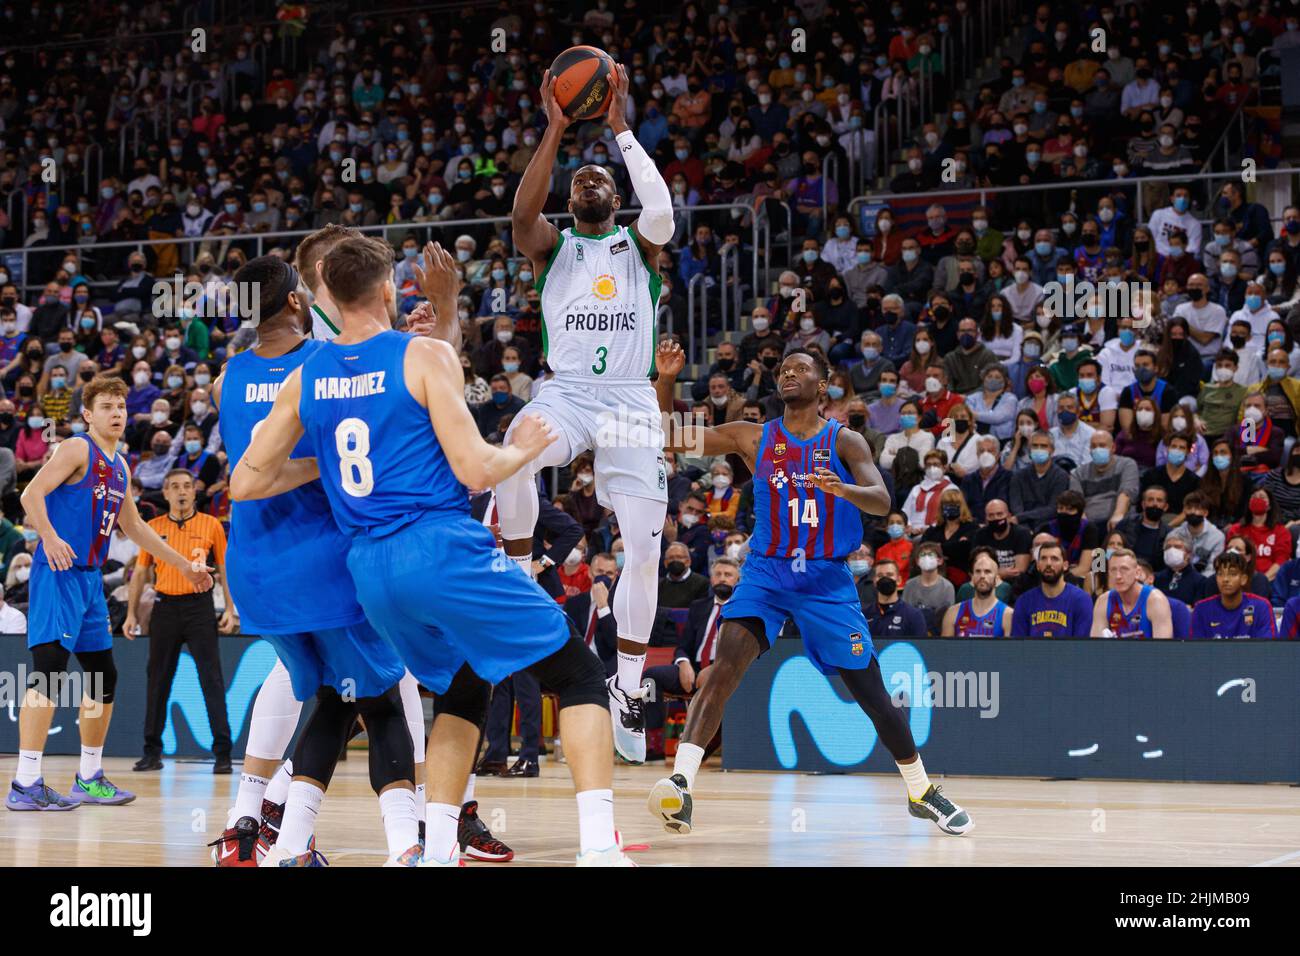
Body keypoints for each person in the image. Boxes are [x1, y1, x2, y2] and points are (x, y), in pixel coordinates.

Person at [231, 233, 632, 866]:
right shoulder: (421, 356)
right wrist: (526, 446)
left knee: (464, 688)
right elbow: (476, 471)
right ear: (389, 288)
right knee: (578, 675)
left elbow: (245, 481)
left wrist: (325, 468)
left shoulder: (308, 374)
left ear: (325, 295)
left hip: (368, 569)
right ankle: (599, 849)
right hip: (440, 548)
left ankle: (437, 849)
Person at [205, 253, 486, 867]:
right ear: (298, 305)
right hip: (327, 566)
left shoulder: (225, 377)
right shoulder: (323, 363)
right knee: (380, 703)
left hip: (255, 570)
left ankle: (275, 840)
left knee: (334, 699)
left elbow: (244, 473)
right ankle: (406, 847)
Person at [646, 340, 971, 837]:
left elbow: (883, 502)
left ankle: (921, 790)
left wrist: (843, 489)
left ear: (823, 386)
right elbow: (670, 435)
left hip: (825, 579)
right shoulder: (753, 437)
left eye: (800, 368)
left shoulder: (846, 442)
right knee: (723, 667)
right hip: (768, 571)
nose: (788, 373)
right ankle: (681, 784)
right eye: (782, 368)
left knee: (873, 696)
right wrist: (667, 380)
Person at [500, 65, 673, 764]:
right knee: (512, 445)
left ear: (613, 197)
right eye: (579, 179)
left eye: (598, 178)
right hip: (568, 391)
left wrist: (621, 125)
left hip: (632, 396)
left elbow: (660, 210)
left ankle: (628, 683)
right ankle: (515, 578)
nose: (590, 179)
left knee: (646, 545)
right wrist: (555, 126)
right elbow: (519, 217)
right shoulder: (552, 248)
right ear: (571, 202)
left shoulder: (642, 244)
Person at [9, 375, 213, 811]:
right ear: (88, 414)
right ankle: (26, 781)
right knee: (48, 670)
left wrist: (183, 565)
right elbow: (31, 494)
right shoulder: (76, 448)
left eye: (121, 405)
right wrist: (47, 537)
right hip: (59, 571)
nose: (117, 412)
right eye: (106, 406)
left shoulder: (120, 466)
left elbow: (135, 528)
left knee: (103, 674)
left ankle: (89, 776)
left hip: (89, 580)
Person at [125, 469, 236, 774]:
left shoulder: (211, 524)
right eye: (175, 487)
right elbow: (140, 575)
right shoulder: (153, 527)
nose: (182, 492)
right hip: (165, 607)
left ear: (194, 492)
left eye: (187, 486)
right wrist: (132, 613)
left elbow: (225, 569)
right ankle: (151, 752)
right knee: (158, 679)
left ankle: (223, 753)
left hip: (199, 608)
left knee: (211, 679)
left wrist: (229, 608)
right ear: (165, 493)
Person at [641, 558, 741, 737]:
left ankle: (709, 742)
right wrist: (683, 663)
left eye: (728, 575)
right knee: (651, 677)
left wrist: (716, 668)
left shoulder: (744, 610)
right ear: (711, 579)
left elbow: (741, 652)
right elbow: (683, 645)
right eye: (718, 574)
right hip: (693, 669)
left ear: (738, 580)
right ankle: (653, 738)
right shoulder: (699, 606)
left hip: (724, 670)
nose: (722, 578)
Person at [1010, 541, 1095, 638]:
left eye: (1054, 559)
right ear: (1037, 565)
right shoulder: (1023, 602)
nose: (1048, 563)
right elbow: (1019, 646)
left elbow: (1082, 646)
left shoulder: (1081, 600)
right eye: (1043, 558)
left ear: (1065, 565)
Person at [1189, 550, 1277, 639]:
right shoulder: (1201, 609)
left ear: (1243, 579)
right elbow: (1197, 650)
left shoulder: (1261, 607)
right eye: (1220, 574)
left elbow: (1268, 648)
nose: (1225, 579)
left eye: (1232, 574)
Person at [1091, 548, 1174, 638]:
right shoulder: (1103, 601)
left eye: (1124, 569)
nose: (1118, 576)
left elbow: (1162, 649)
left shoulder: (1156, 600)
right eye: (1113, 570)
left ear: (1137, 573)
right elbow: (1095, 648)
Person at [941, 548, 1012, 637]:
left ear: (997, 579)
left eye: (987, 572)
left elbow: (1010, 650)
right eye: (978, 571)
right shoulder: (953, 613)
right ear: (972, 577)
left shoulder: (1008, 615)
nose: (982, 576)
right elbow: (945, 650)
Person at [863, 558, 929, 639]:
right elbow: (855, 643)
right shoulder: (863, 615)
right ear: (874, 581)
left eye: (889, 575)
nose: (885, 579)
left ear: (899, 580)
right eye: (880, 575)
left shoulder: (913, 615)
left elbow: (922, 647)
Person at [972, 498, 1032, 583]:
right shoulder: (980, 535)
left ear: (1009, 516)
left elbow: (1019, 571)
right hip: (988, 582)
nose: (995, 518)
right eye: (991, 515)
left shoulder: (1022, 534)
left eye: (999, 514)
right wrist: (1001, 573)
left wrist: (991, 572)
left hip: (1015, 584)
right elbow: (975, 569)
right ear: (986, 519)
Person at [1154, 535, 1215, 607]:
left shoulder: (1200, 581)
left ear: (1188, 554)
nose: (1171, 550)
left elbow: (1198, 609)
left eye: (1177, 547)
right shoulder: (1156, 578)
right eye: (1168, 547)